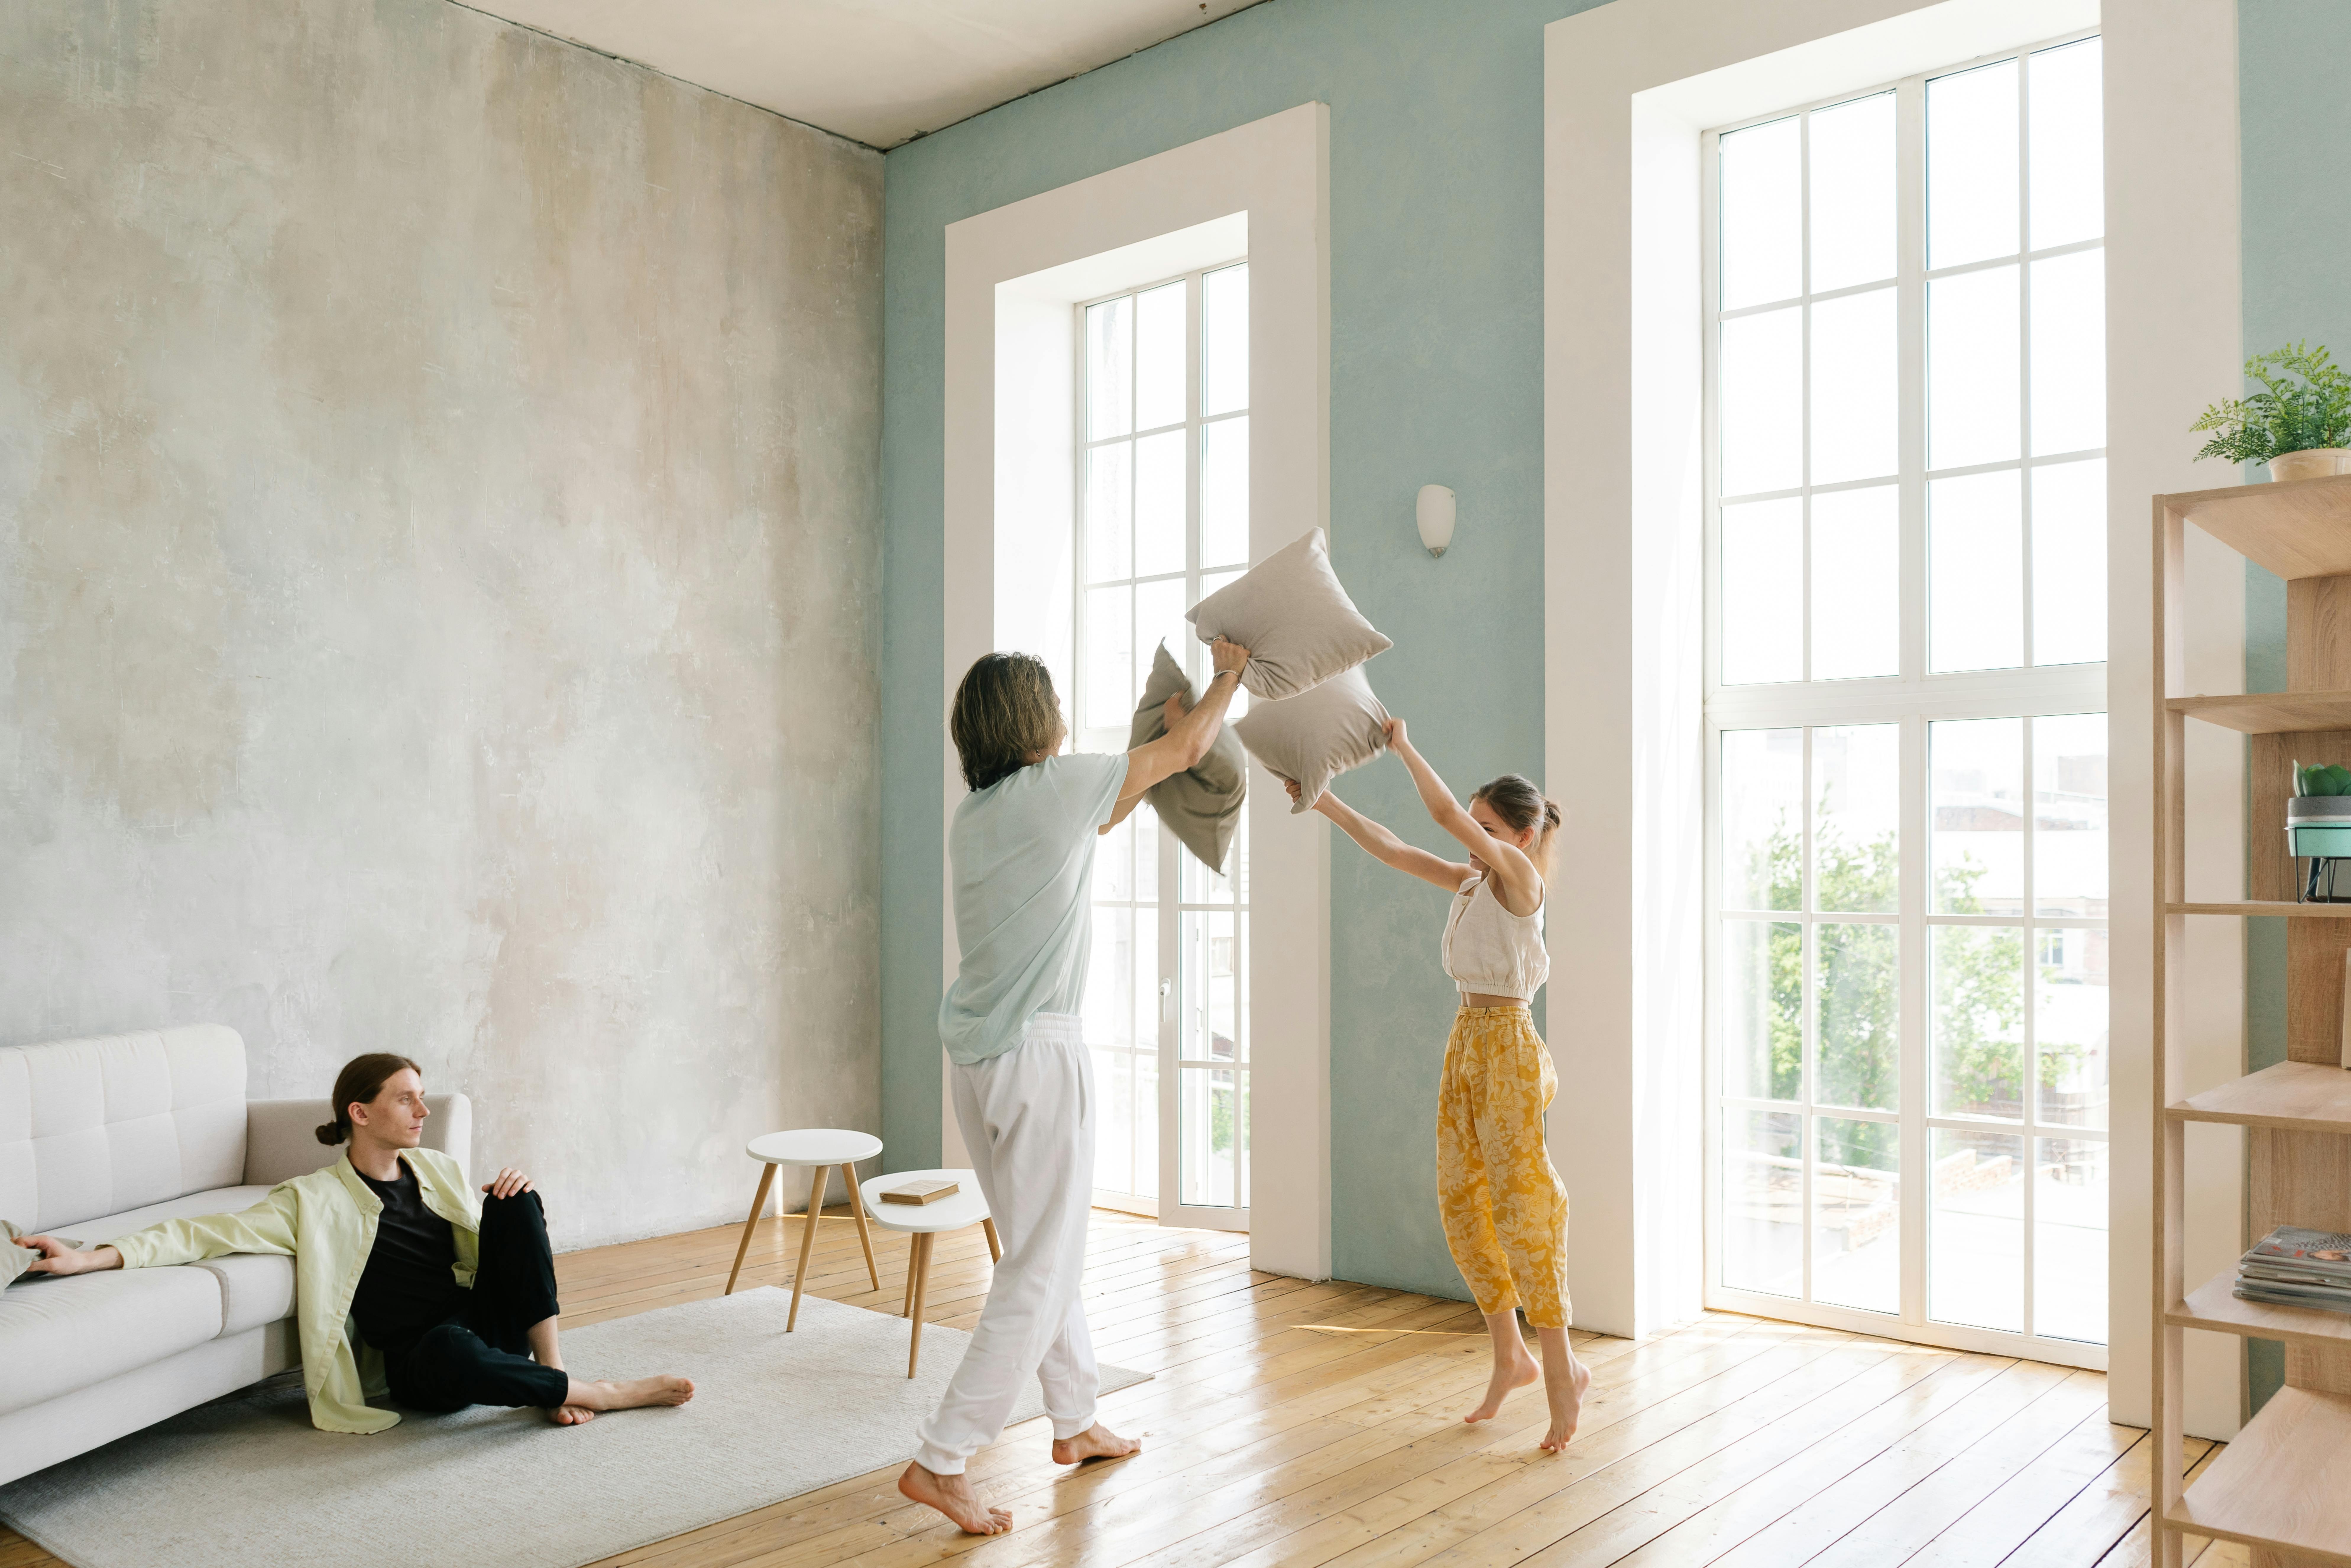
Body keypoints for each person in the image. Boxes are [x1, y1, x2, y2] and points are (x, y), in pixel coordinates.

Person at [899, 638, 1251, 1535]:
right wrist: (1229, 676)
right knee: (1041, 1265)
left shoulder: (981, 814)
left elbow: (1105, 812)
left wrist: (1167, 743)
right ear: (1035, 721)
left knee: (1034, 1250)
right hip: (1038, 1057)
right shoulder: (1055, 793)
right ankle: (944, 1458)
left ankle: (1076, 1417)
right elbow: (1183, 757)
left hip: (976, 1059)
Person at [15, 1053, 694, 1431]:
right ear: (360, 1114)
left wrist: (514, 1198)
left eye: (422, 1097)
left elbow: (498, 1250)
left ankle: (557, 1375)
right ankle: (598, 1393)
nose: (424, 1112)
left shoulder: (436, 1170)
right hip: (424, 1361)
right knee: (452, 1346)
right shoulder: (310, 1200)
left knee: (519, 1201)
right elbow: (197, 1233)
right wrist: (87, 1256)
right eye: (407, 1100)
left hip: (483, 1327)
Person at [1294, 720, 1591, 1452]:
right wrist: (1323, 802)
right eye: (1475, 825)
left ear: (1520, 837)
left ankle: (1562, 1370)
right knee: (1462, 1204)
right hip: (1466, 1047)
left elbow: (1440, 816)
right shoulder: (1472, 883)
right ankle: (1508, 1356)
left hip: (1509, 1051)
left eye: (1487, 828)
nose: (1471, 839)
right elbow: (1397, 848)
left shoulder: (1522, 882)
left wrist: (1401, 745)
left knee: (1525, 1208)